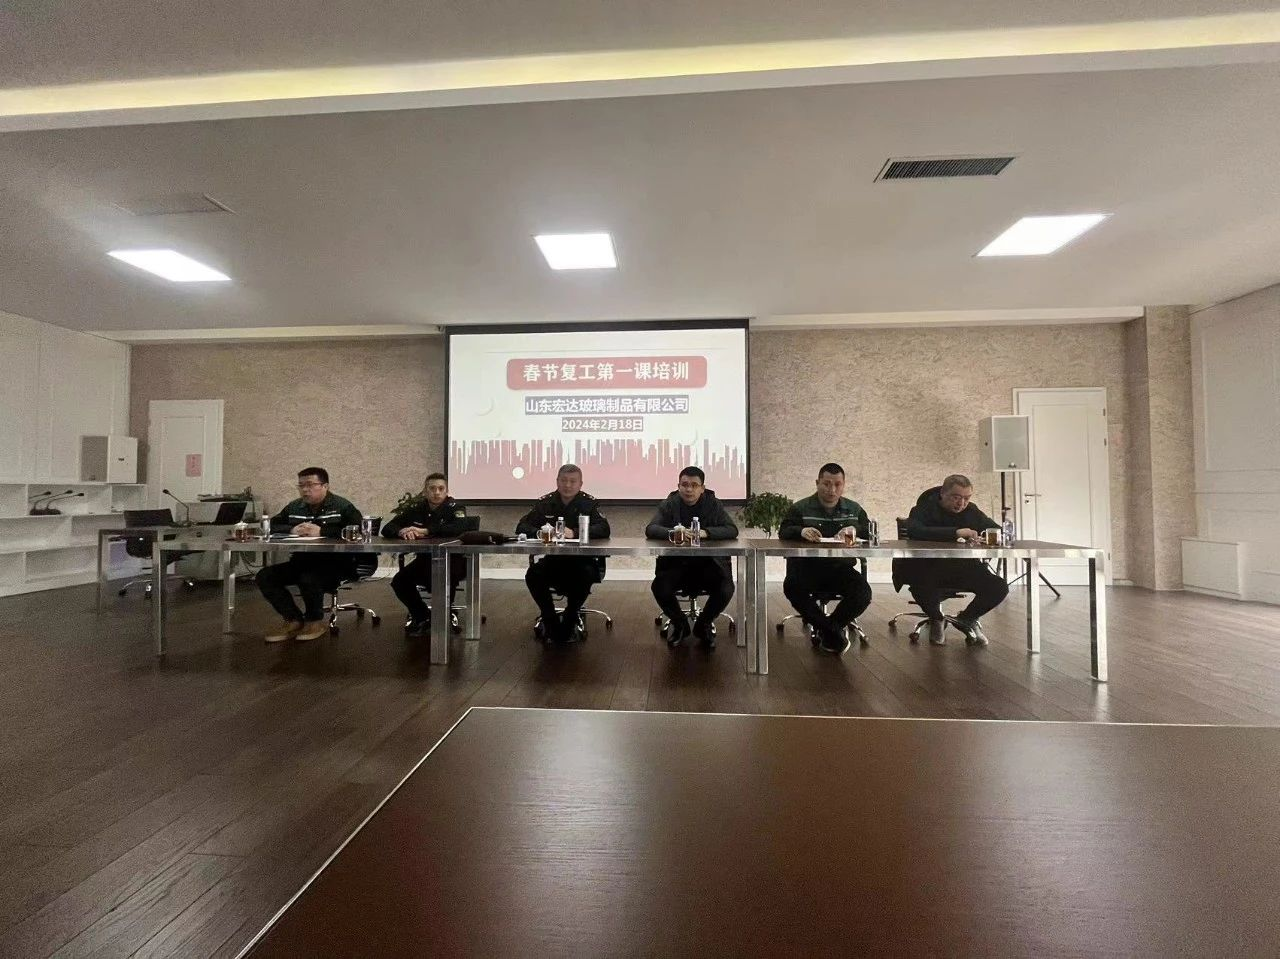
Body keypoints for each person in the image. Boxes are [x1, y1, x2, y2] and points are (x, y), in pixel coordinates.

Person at [895, 473, 1008, 647]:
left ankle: (967, 619)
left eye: (966, 498)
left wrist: (986, 537)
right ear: (943, 493)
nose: (961, 503)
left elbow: (995, 529)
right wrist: (955, 533)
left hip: (964, 567)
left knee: (998, 586)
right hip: (928, 567)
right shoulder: (923, 508)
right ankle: (937, 619)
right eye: (956, 497)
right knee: (921, 584)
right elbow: (915, 530)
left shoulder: (972, 511)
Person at [256, 467, 365, 643]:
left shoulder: (342, 506)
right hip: (301, 561)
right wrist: (292, 529)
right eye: (301, 486)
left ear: (325, 486)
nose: (305, 490)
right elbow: (271, 525)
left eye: (310, 485)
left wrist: (323, 531)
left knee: (308, 577)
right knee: (265, 576)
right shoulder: (294, 506)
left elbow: (359, 529)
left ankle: (314, 621)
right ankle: (293, 619)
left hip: (337, 563)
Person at [778, 462, 873, 655]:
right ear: (817, 483)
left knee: (863, 593)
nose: (832, 490)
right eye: (827, 484)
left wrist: (855, 529)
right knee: (792, 587)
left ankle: (829, 629)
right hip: (808, 568)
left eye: (838, 484)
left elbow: (869, 532)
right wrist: (801, 531)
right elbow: (784, 531)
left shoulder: (854, 509)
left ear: (843, 485)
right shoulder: (800, 508)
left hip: (841, 567)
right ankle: (831, 630)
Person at [644, 466, 738, 649]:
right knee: (660, 586)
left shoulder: (713, 504)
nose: (689, 489)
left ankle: (703, 625)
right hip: (677, 565)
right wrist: (673, 532)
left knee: (726, 588)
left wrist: (705, 533)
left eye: (694, 485)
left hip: (708, 565)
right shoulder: (670, 503)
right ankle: (680, 625)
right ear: (678, 486)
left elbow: (732, 530)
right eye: (684, 485)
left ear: (702, 488)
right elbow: (651, 529)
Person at [515, 464, 611, 644]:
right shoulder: (546, 503)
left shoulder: (588, 504)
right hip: (553, 560)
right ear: (557, 482)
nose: (568, 485)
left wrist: (575, 532)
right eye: (564, 481)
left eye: (573, 481)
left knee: (585, 575)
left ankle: (570, 617)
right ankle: (549, 618)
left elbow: (604, 529)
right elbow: (521, 527)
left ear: (580, 484)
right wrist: (540, 533)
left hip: (581, 562)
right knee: (533, 575)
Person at [381, 472, 472, 637]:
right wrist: (402, 531)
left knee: (444, 576)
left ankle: (443, 616)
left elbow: (460, 528)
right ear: (425, 491)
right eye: (432, 488)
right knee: (399, 581)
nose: (437, 492)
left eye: (441, 489)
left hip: (453, 560)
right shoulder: (417, 509)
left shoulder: (455, 508)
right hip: (425, 560)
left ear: (447, 491)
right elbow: (388, 528)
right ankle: (422, 616)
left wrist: (426, 531)